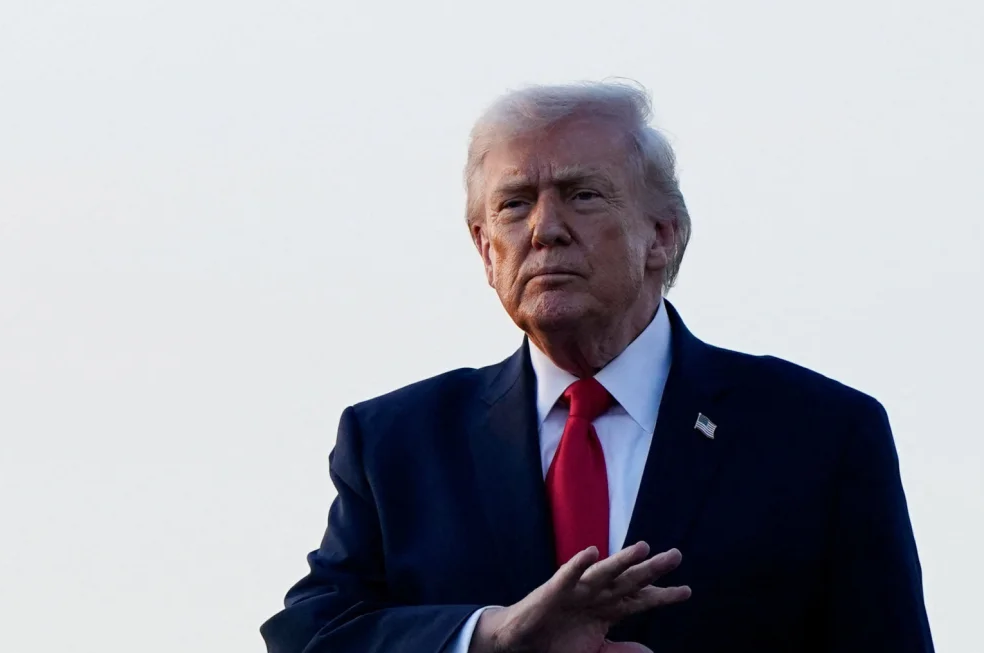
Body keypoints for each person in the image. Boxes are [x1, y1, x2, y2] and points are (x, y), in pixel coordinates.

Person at [260, 80, 934, 653]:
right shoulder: (396, 441)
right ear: (484, 249)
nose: (544, 228)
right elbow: (311, 634)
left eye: (582, 195)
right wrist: (489, 635)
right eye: (513, 204)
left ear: (661, 233)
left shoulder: (815, 433)